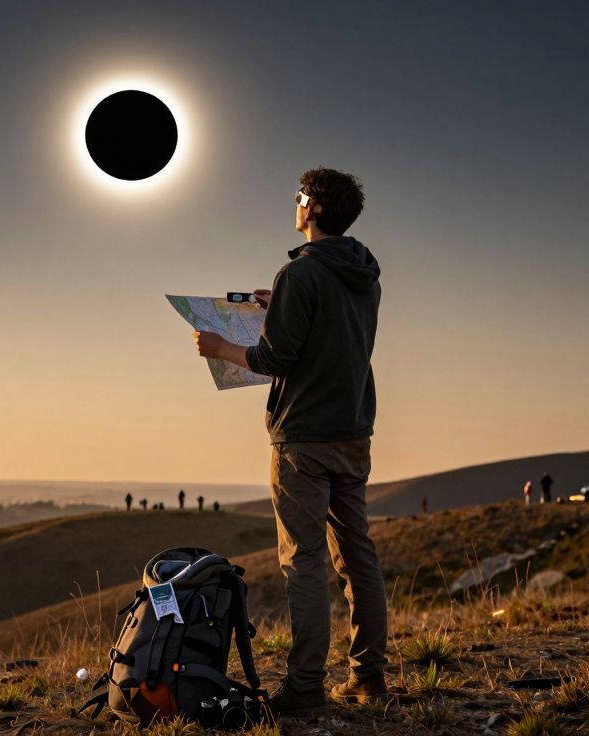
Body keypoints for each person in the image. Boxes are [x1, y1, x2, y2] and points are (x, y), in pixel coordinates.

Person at [192, 166, 386, 715]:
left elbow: (274, 359)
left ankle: (304, 688)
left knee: (302, 560)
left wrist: (220, 349)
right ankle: (369, 677)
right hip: (353, 430)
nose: (295, 203)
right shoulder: (365, 274)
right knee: (357, 554)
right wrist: (274, 302)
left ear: (313, 208)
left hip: (302, 436)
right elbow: (331, 335)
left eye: (299, 196)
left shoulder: (298, 276)